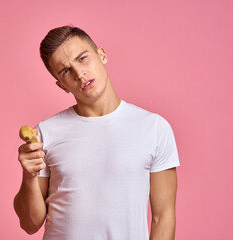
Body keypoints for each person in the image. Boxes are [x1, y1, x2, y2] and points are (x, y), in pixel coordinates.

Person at [14, 25, 180, 240]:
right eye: (65, 71)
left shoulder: (154, 128)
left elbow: (163, 217)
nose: (79, 73)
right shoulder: (45, 133)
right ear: (61, 85)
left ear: (101, 55)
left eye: (82, 58)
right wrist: (29, 176)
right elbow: (30, 224)